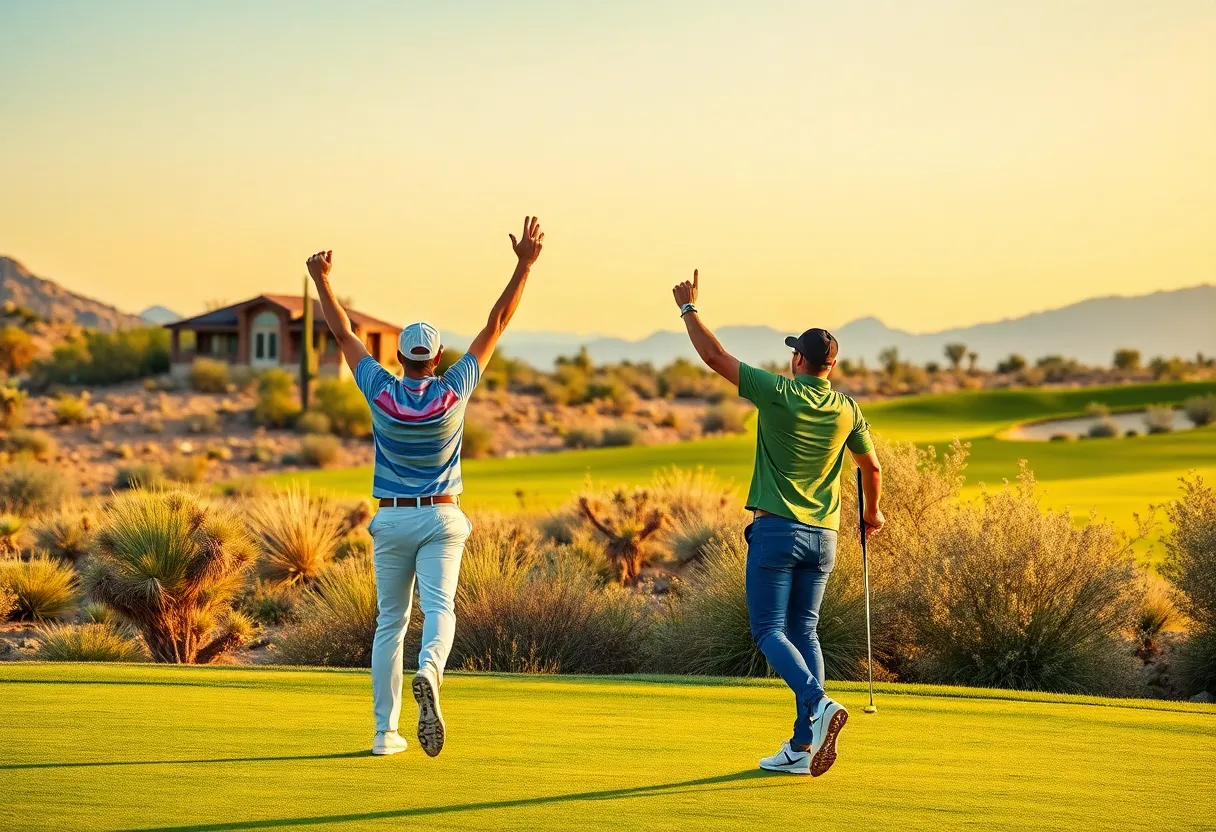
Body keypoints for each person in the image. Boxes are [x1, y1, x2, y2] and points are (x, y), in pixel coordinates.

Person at [305, 217, 545, 758]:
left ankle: (383, 733)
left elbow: (343, 334)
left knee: (390, 622)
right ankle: (431, 672)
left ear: (400, 359)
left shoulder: (380, 389)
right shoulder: (453, 389)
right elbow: (497, 322)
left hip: (391, 518)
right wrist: (524, 264)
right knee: (440, 608)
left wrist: (322, 281)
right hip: (441, 516)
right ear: (435, 359)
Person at [670, 269, 883, 777]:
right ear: (830, 366)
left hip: (776, 533)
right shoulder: (847, 408)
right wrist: (871, 513)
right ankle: (800, 747)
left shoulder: (779, 392)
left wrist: (688, 310)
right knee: (803, 633)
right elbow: (870, 467)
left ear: (798, 360)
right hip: (825, 538)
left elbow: (716, 358)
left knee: (768, 631)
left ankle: (820, 703)